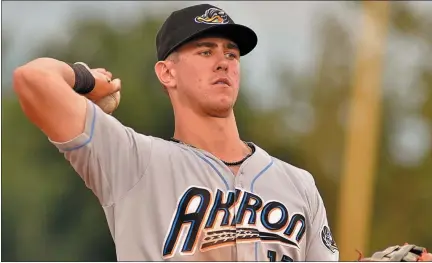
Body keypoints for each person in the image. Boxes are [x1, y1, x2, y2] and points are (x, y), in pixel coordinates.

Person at [12, 3, 339, 261]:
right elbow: (33, 79)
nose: (223, 62)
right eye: (206, 51)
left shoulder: (298, 185)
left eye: (231, 53)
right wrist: (90, 79)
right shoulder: (133, 162)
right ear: (167, 73)